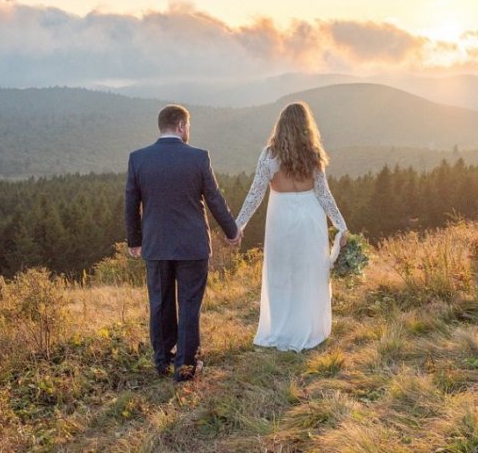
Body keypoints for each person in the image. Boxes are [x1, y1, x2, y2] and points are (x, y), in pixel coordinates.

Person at [125, 104, 241, 381]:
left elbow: (131, 204)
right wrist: (232, 231)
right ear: (180, 126)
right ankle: (186, 367)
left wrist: (134, 240)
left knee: (160, 302)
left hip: (156, 244)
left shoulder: (138, 159)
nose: (189, 130)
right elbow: (214, 198)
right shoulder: (198, 158)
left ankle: (162, 361)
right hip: (192, 246)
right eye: (188, 126)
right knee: (189, 303)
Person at [236, 101, 348, 352]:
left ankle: (283, 329)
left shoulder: (269, 155)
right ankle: (307, 327)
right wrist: (341, 225)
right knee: (308, 272)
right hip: (311, 216)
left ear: (281, 126)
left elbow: (255, 194)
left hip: (282, 218)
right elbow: (324, 195)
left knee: (281, 273)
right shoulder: (314, 154)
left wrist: (238, 225)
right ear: (306, 126)